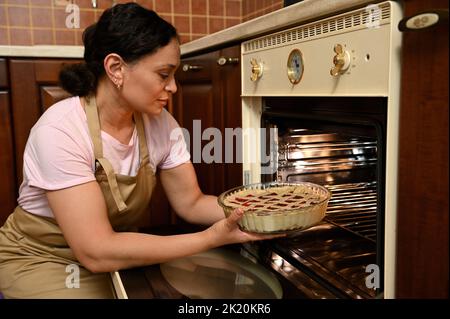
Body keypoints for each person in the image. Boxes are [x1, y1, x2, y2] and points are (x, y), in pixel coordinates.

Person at [0, 3, 279, 299]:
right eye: (163, 74)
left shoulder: (161, 124)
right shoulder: (60, 130)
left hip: (113, 252)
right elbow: (96, 252)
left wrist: (261, 211)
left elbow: (191, 202)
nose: (173, 87)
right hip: (44, 259)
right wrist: (211, 238)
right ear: (116, 68)